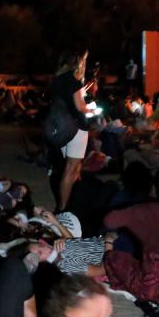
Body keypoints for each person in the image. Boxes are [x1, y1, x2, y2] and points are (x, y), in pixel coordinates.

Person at [51, 50, 91, 211]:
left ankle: (70, 201)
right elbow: (79, 106)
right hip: (76, 127)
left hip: (60, 127)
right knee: (71, 169)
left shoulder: (57, 79)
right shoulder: (73, 81)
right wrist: (91, 110)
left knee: (72, 168)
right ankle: (63, 208)